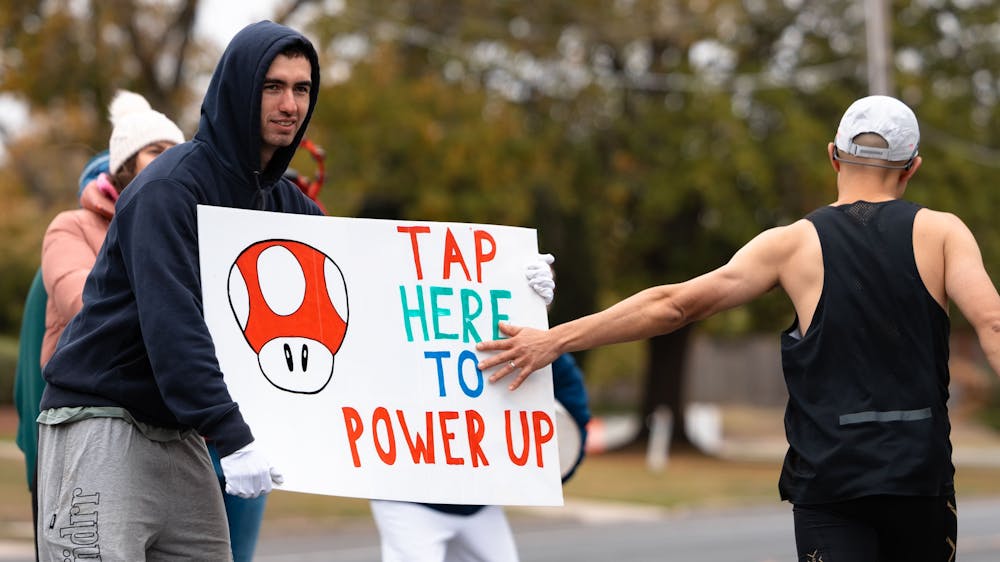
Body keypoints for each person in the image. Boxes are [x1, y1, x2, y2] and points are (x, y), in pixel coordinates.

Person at [477, 95, 998, 561]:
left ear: (833, 156)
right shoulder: (943, 232)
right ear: (911, 168)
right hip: (919, 482)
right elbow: (992, 321)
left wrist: (553, 339)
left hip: (831, 485)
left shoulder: (791, 244)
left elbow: (674, 306)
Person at [34, 21, 324, 560]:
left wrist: (510, 277)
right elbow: (172, 321)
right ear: (239, 88)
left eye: (302, 89)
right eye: (272, 86)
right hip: (105, 418)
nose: (290, 104)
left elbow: (360, 274)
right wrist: (230, 431)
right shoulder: (170, 187)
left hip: (182, 430)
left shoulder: (284, 203)